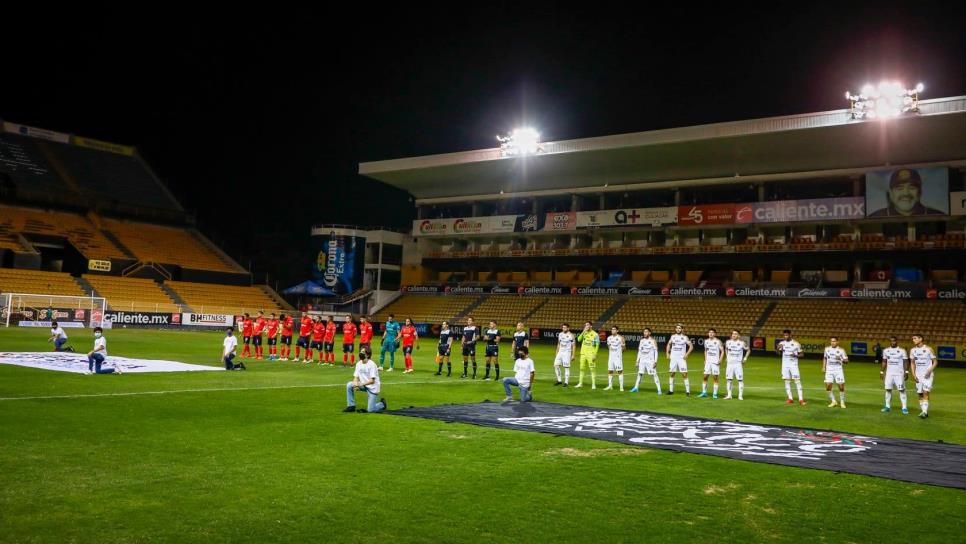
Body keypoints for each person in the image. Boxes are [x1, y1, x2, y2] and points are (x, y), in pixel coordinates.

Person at [868, 168, 945, 217]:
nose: (906, 193)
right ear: (891, 193)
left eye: (912, 188)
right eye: (899, 188)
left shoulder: (937, 215)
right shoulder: (875, 217)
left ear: (920, 192)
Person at [344, 348, 386, 413]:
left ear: (367, 355)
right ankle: (351, 406)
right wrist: (355, 384)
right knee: (349, 385)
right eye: (361, 351)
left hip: (373, 388)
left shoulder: (372, 364)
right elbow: (356, 377)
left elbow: (372, 381)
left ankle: (382, 404)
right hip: (364, 385)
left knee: (370, 410)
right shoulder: (358, 364)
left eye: (363, 352)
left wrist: (360, 384)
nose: (361, 353)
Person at [910, 334, 937, 418]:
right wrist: (914, 374)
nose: (913, 340)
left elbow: (935, 362)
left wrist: (930, 370)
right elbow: (912, 363)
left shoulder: (929, 349)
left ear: (920, 339)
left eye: (915, 338)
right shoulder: (912, 350)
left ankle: (924, 412)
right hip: (918, 375)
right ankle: (924, 411)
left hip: (927, 375)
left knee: (926, 392)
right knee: (920, 394)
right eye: (912, 338)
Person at [880, 335, 909, 414]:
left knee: (901, 390)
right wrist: (882, 371)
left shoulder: (902, 351)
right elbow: (884, 361)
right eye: (891, 341)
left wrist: (906, 372)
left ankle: (904, 407)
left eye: (894, 341)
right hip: (889, 374)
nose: (892, 342)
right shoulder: (886, 350)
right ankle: (887, 406)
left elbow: (906, 361)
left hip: (899, 374)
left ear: (897, 341)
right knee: (888, 389)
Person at [777, 329, 805, 405]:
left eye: (787, 335)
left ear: (790, 335)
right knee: (787, 381)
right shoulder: (782, 343)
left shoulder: (796, 344)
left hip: (793, 365)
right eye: (784, 335)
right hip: (785, 365)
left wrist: (795, 355)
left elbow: (802, 354)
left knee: (797, 381)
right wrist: (778, 348)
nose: (785, 337)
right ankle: (790, 398)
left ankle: (801, 399)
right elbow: (778, 353)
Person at [631, 327, 661, 394]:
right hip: (642, 360)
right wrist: (637, 361)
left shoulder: (653, 341)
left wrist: (655, 361)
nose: (645, 333)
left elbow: (656, 352)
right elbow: (639, 351)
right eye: (644, 332)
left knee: (654, 374)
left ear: (649, 333)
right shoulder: (642, 341)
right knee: (639, 374)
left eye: (646, 332)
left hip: (650, 361)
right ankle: (636, 388)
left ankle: (659, 390)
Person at [666, 324, 693, 396]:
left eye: (679, 328)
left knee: (684, 374)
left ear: (682, 329)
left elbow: (691, 346)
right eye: (677, 328)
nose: (678, 329)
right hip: (673, 358)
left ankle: (688, 391)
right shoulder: (673, 336)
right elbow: (669, 344)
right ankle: (671, 390)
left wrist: (687, 354)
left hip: (681, 359)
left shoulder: (684, 337)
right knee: (672, 373)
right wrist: (667, 353)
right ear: (675, 329)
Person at [822, 337, 849, 408]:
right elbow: (825, 358)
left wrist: (840, 358)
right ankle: (833, 401)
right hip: (829, 370)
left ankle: (842, 402)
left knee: (841, 387)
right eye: (831, 341)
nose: (832, 343)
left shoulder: (841, 350)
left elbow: (846, 361)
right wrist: (824, 367)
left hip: (838, 370)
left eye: (834, 341)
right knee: (828, 386)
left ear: (837, 342)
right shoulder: (827, 349)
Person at [723, 330, 749, 400]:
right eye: (733, 334)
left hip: (738, 364)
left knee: (740, 380)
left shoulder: (741, 343)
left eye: (736, 334)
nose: (734, 335)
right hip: (730, 364)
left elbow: (748, 350)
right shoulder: (728, 342)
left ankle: (740, 396)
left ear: (739, 335)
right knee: (729, 379)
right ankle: (729, 395)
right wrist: (727, 356)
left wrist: (745, 358)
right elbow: (726, 349)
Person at [699, 329, 723, 398]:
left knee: (715, 378)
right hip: (708, 362)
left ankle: (714, 394)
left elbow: (722, 351)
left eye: (712, 332)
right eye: (710, 332)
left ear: (715, 334)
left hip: (715, 362)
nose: (711, 334)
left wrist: (720, 359)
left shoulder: (718, 341)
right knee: (705, 377)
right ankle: (704, 392)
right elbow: (706, 350)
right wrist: (705, 359)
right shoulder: (706, 341)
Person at [575, 322, 600, 389]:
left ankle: (593, 384)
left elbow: (597, 345)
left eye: (587, 325)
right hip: (583, 353)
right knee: (581, 369)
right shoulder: (584, 333)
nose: (586, 326)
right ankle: (580, 383)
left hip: (591, 354)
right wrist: (583, 331)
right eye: (585, 325)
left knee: (592, 369)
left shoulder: (595, 334)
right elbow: (578, 339)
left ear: (591, 326)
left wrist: (595, 354)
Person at [604, 325, 625, 391]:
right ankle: (610, 386)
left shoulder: (620, 338)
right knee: (610, 371)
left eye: (614, 329)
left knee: (620, 371)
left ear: (617, 330)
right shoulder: (609, 338)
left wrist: (619, 353)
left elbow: (624, 348)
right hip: (611, 357)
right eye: (612, 329)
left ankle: (621, 387)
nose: (612, 330)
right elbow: (609, 346)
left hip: (617, 357)